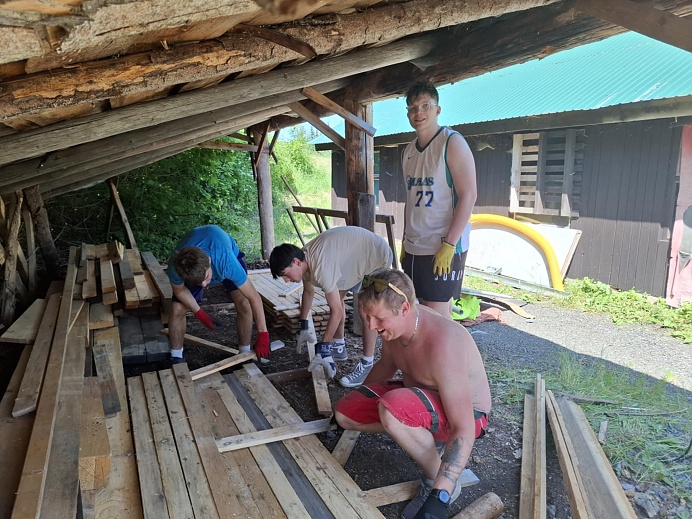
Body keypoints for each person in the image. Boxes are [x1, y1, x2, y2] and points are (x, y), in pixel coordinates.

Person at [335, 268, 491, 519]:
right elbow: (387, 365)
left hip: (470, 416)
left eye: (379, 319)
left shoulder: (444, 343)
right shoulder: (394, 327)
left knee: (392, 410)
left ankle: (435, 480)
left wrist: (441, 495)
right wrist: (360, 400)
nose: (372, 326)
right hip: (422, 396)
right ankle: (419, 433)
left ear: (405, 308)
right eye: (368, 317)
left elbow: (463, 427)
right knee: (345, 414)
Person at [269, 226, 393, 387]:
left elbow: (337, 312)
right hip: (354, 256)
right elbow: (308, 292)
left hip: (376, 255)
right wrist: (303, 325)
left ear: (296, 262)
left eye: (285, 274)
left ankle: (367, 364)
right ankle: (339, 348)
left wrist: (323, 347)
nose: (286, 280)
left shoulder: (321, 267)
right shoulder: (304, 258)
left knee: (366, 310)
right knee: (337, 298)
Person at [400, 80, 477, 318]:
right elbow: (411, 199)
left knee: (437, 316)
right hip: (414, 245)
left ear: (437, 110)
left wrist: (450, 244)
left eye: (426, 106)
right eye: (413, 108)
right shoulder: (408, 151)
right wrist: (404, 240)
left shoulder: (451, 142)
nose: (419, 112)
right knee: (417, 313)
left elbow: (469, 195)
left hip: (441, 244)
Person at [166, 225, 270, 363]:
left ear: (209, 262)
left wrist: (263, 334)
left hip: (223, 251)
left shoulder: (226, 261)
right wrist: (200, 314)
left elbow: (253, 296)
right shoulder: (176, 267)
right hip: (195, 265)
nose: (204, 285)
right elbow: (179, 290)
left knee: (243, 302)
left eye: (206, 278)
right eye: (199, 283)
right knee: (177, 308)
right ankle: (176, 356)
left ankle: (244, 353)